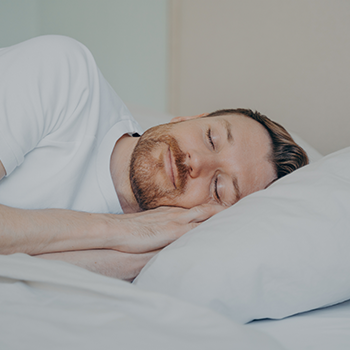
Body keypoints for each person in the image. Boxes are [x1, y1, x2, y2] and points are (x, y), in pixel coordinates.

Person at [0, 36, 308, 280]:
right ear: (187, 118)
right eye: (210, 138)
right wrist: (122, 230)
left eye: (219, 188)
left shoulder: (158, 256)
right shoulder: (64, 74)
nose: (195, 162)